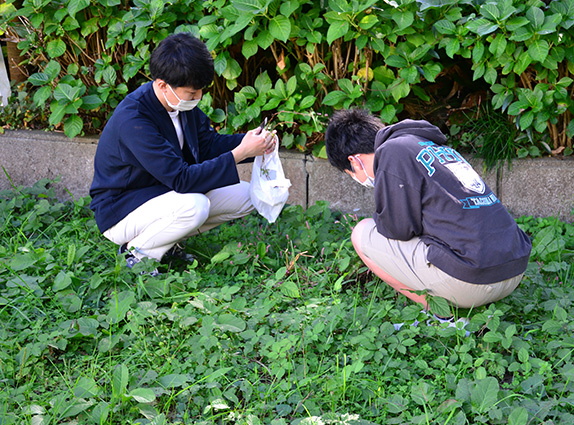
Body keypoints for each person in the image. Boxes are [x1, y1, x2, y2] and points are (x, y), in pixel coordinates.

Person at [89, 32, 276, 268]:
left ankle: (166, 243)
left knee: (248, 196)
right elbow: (181, 179)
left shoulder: (180, 103)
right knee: (196, 206)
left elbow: (208, 146)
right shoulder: (134, 118)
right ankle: (136, 254)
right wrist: (241, 153)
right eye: (192, 92)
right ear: (162, 85)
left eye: (200, 91)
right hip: (122, 208)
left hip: (163, 194)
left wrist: (252, 144)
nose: (198, 97)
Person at [324, 108, 532, 314]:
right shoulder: (429, 145)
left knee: (361, 233)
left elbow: (397, 230)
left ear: (354, 161)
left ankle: (441, 315)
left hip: (473, 284)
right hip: (514, 271)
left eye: (349, 173)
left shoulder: (391, 152)